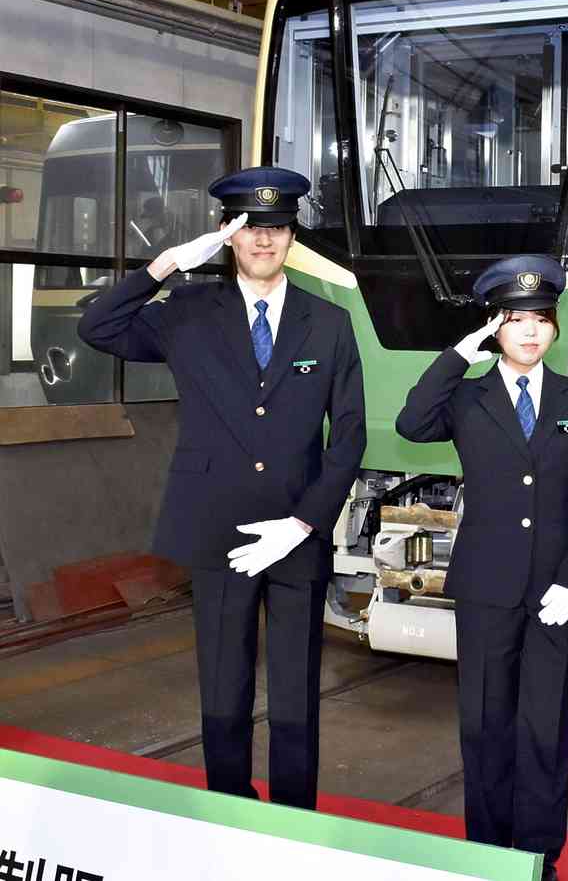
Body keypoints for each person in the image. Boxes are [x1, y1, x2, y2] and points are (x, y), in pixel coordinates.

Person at [77, 166, 366, 810]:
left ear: (293, 238)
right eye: (250, 228)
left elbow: (348, 434)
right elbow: (95, 328)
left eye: (277, 228)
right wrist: (166, 266)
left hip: (296, 529)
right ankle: (228, 810)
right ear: (226, 235)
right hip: (219, 526)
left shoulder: (330, 322)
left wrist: (306, 521)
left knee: (295, 689)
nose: (265, 240)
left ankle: (294, 816)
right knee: (224, 685)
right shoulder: (186, 312)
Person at [396, 255, 568, 881]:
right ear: (496, 327)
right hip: (487, 588)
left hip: (554, 594)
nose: (532, 332)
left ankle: (538, 859)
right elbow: (412, 423)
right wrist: (460, 352)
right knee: (486, 727)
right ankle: (486, 856)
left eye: (542, 319)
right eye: (516, 320)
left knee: (544, 731)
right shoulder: (467, 397)